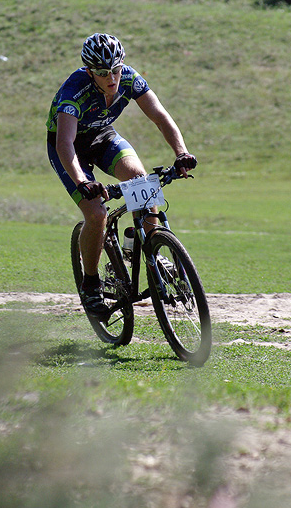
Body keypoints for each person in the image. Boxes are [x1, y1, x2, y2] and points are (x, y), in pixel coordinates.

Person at [46, 32, 197, 320]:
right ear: (90, 72)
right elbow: (64, 143)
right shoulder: (74, 90)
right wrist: (82, 181)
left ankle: (146, 245)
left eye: (115, 69)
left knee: (141, 180)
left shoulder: (129, 78)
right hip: (69, 147)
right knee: (96, 214)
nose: (111, 78)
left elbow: (160, 116)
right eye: (103, 73)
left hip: (103, 136)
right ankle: (91, 284)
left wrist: (181, 153)